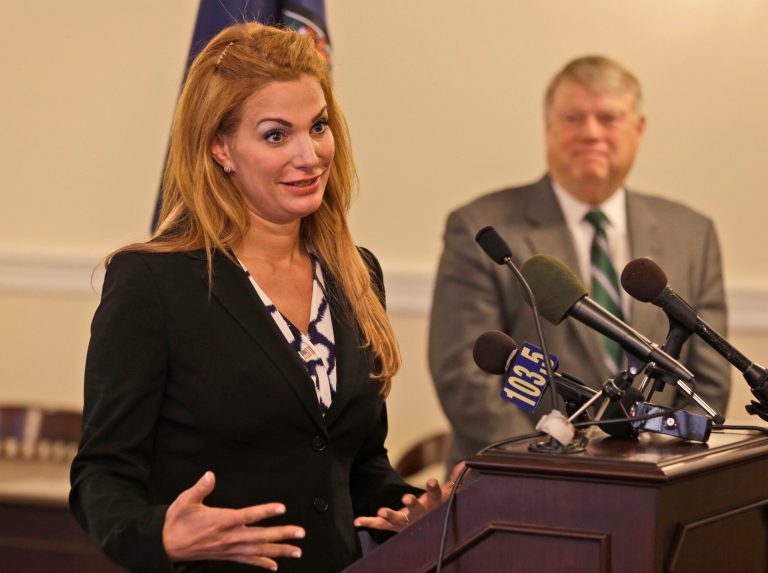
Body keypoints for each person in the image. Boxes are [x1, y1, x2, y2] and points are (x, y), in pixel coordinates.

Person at [70, 22, 455, 573]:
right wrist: (162, 535)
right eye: (277, 135)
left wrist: (409, 509)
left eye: (318, 127)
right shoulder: (153, 282)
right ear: (220, 148)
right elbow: (101, 476)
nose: (310, 155)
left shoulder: (357, 274)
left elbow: (356, 462)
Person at [429, 55, 731, 470]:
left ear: (638, 130)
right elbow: (466, 376)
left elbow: (710, 376)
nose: (591, 133)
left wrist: (655, 465)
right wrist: (565, 468)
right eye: (573, 118)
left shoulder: (693, 234)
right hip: (524, 480)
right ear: (548, 127)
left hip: (661, 484)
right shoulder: (481, 227)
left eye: (608, 118)